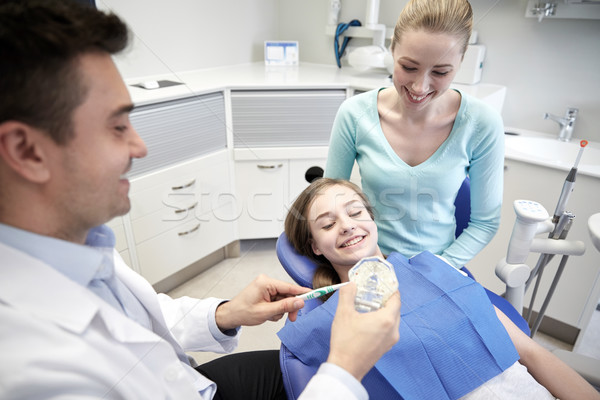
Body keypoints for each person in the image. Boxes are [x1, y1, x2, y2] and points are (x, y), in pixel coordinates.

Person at [0, 1, 400, 399]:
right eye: (117, 126)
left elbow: (139, 320)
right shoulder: (33, 372)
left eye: (355, 211)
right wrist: (345, 367)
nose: (139, 147)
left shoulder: (78, 243)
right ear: (27, 151)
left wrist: (225, 313)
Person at [280, 178, 600, 400]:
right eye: (327, 224)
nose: (347, 225)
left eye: (354, 212)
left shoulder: (436, 268)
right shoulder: (329, 323)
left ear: (371, 218)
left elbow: (531, 352)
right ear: (315, 246)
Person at [324, 0, 504, 269]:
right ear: (392, 51)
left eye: (441, 72)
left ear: (461, 60)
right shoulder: (355, 114)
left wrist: (440, 268)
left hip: (440, 265)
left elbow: (485, 222)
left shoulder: (481, 124)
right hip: (367, 260)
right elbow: (329, 200)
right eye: (409, 67)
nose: (420, 87)